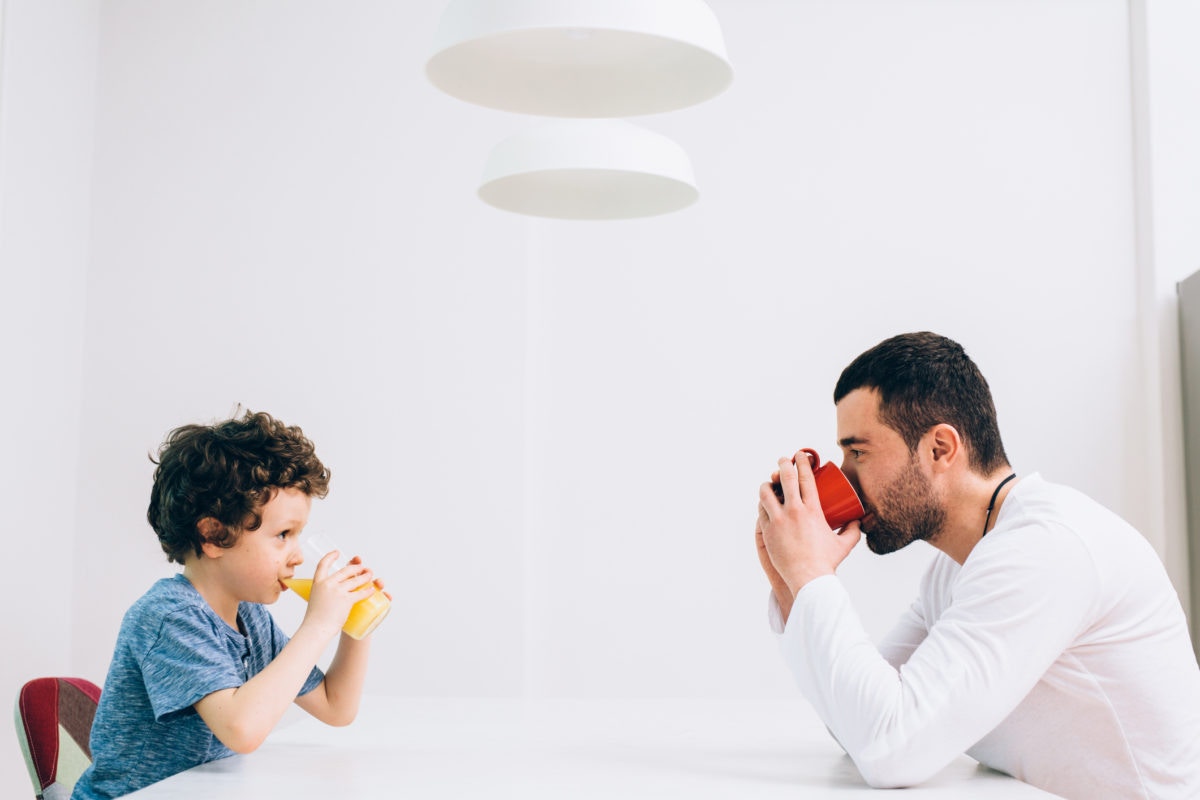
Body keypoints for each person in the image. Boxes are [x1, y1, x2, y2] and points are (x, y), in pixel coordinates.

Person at [755, 332, 1200, 799]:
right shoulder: (956, 571)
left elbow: (891, 749)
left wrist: (812, 574)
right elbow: (855, 727)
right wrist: (790, 583)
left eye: (858, 452)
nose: (844, 475)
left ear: (940, 448)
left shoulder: (1044, 550)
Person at [73, 410, 385, 799]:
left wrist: (358, 623)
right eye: (283, 535)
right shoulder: (171, 616)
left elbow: (335, 707)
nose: (297, 556)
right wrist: (318, 623)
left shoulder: (249, 617)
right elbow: (242, 729)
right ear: (214, 535)